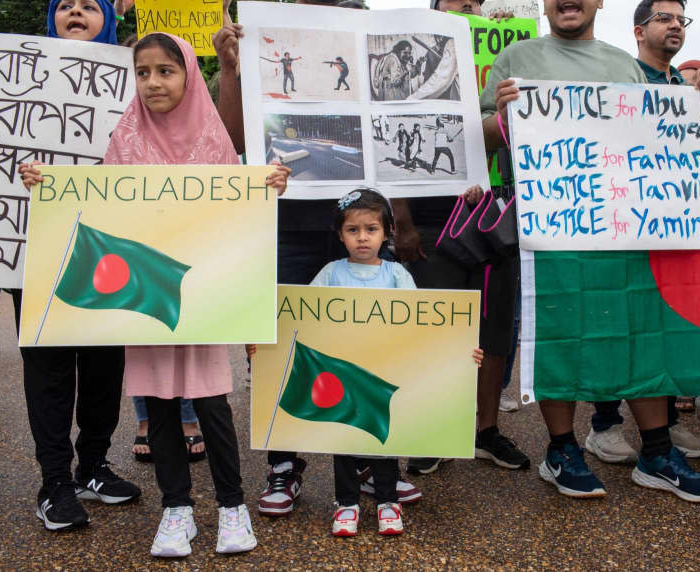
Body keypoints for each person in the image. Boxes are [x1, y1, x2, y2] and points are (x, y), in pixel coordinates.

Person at [480, 0, 700, 502]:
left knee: (636, 327)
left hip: (622, 224)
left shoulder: (623, 64)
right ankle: (561, 449)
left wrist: (693, 99)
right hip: (549, 224)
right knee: (559, 331)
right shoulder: (516, 57)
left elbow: (657, 137)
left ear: (598, 3)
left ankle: (656, 453)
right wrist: (502, 116)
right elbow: (480, 137)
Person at [213, 2, 421, 516]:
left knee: (368, 342)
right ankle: (284, 464)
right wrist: (232, 68)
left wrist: (403, 219)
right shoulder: (271, 52)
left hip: (357, 224)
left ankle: (369, 461)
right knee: (286, 343)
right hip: (287, 229)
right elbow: (234, 139)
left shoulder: (374, 59)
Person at [105, 32, 289, 556]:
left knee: (211, 401)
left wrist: (268, 185)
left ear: (188, 74)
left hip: (202, 294)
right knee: (159, 404)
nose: (153, 82)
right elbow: (96, 203)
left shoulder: (214, 141)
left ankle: (232, 507)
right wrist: (45, 185)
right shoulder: (124, 140)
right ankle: (175, 509)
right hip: (146, 295)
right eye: (143, 73)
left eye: (166, 70)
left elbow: (240, 207)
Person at [262, 188, 481, 536]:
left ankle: (387, 500)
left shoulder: (396, 276)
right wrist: (268, 344)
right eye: (353, 230)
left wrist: (459, 351)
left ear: (387, 232)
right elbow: (302, 315)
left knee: (384, 439)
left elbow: (423, 324)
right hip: (344, 372)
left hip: (383, 370)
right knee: (344, 440)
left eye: (371, 229)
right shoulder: (331, 273)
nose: (362, 238)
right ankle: (346, 503)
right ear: (340, 234)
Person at [15, 0, 140, 533]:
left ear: (106, 20)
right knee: (49, 370)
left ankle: (92, 466)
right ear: (52, 19)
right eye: (65, 4)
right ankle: (54, 482)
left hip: (107, 250)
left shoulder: (133, 81)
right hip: (37, 250)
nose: (76, 11)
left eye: (90, 5)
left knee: (104, 367)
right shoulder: (14, 80)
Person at [400, 0, 529, 476]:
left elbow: (504, 130)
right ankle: (437, 429)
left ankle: (485, 430)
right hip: (434, 219)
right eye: (458, 3)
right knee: (441, 327)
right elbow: (389, 144)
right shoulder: (413, 66)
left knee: (494, 328)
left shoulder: (508, 56)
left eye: (474, 3)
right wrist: (403, 222)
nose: (468, 7)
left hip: (494, 213)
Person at [585, 0, 700, 465]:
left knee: (664, 330)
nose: (676, 25)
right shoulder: (619, 78)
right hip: (619, 227)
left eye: (682, 19)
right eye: (665, 17)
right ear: (639, 31)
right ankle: (604, 425)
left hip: (669, 231)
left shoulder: (684, 86)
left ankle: (666, 424)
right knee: (615, 324)